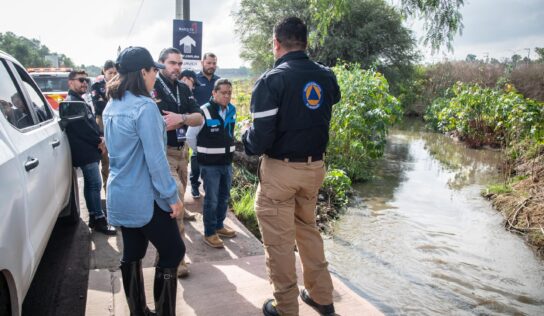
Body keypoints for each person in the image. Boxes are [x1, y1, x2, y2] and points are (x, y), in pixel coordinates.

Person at [242, 17, 341, 316]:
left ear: (276, 43)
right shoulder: (326, 76)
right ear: (305, 42)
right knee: (308, 230)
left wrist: (247, 133)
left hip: (281, 173)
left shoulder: (272, 80)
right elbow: (327, 102)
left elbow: (259, 141)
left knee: (279, 244)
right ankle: (322, 297)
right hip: (314, 170)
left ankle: (285, 307)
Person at [103, 46, 184, 316]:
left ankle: (138, 312)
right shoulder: (145, 106)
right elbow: (157, 161)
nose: (155, 77)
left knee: (133, 253)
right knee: (173, 251)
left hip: (120, 194)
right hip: (144, 197)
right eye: (153, 71)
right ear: (143, 72)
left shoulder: (111, 105)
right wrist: (171, 197)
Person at [153, 47, 204, 277]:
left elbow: (199, 118)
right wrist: (172, 122)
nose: (177, 67)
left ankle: (164, 253)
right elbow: (154, 122)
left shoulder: (184, 88)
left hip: (183, 153)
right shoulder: (152, 87)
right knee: (176, 205)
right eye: (172, 63)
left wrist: (180, 119)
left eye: (180, 63)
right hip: (163, 153)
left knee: (172, 207)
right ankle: (176, 261)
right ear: (161, 63)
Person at [64, 70, 117, 236]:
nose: (85, 83)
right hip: (86, 151)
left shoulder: (78, 100)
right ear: (70, 82)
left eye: (86, 80)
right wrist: (99, 141)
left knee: (91, 184)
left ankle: (95, 217)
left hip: (89, 149)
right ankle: (99, 219)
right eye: (81, 80)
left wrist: (99, 137)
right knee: (94, 184)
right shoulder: (72, 102)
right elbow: (83, 130)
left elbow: (90, 125)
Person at [186, 78, 237, 249]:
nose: (227, 96)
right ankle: (209, 232)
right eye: (223, 92)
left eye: (229, 93)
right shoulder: (203, 112)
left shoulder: (232, 110)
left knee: (223, 197)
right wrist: (201, 153)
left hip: (226, 163)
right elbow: (190, 137)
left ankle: (219, 226)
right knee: (212, 199)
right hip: (210, 165)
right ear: (214, 93)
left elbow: (229, 133)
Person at [190, 53, 220, 199]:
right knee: (197, 155)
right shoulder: (195, 79)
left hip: (214, 124)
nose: (211, 66)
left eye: (214, 63)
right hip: (199, 122)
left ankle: (210, 186)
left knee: (213, 155)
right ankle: (194, 185)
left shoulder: (219, 81)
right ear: (202, 62)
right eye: (208, 63)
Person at [91, 60, 117, 193]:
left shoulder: (121, 85)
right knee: (106, 162)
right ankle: (108, 192)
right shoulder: (97, 85)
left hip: (117, 123)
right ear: (104, 72)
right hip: (102, 124)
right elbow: (99, 106)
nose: (113, 75)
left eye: (115, 72)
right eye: (110, 72)